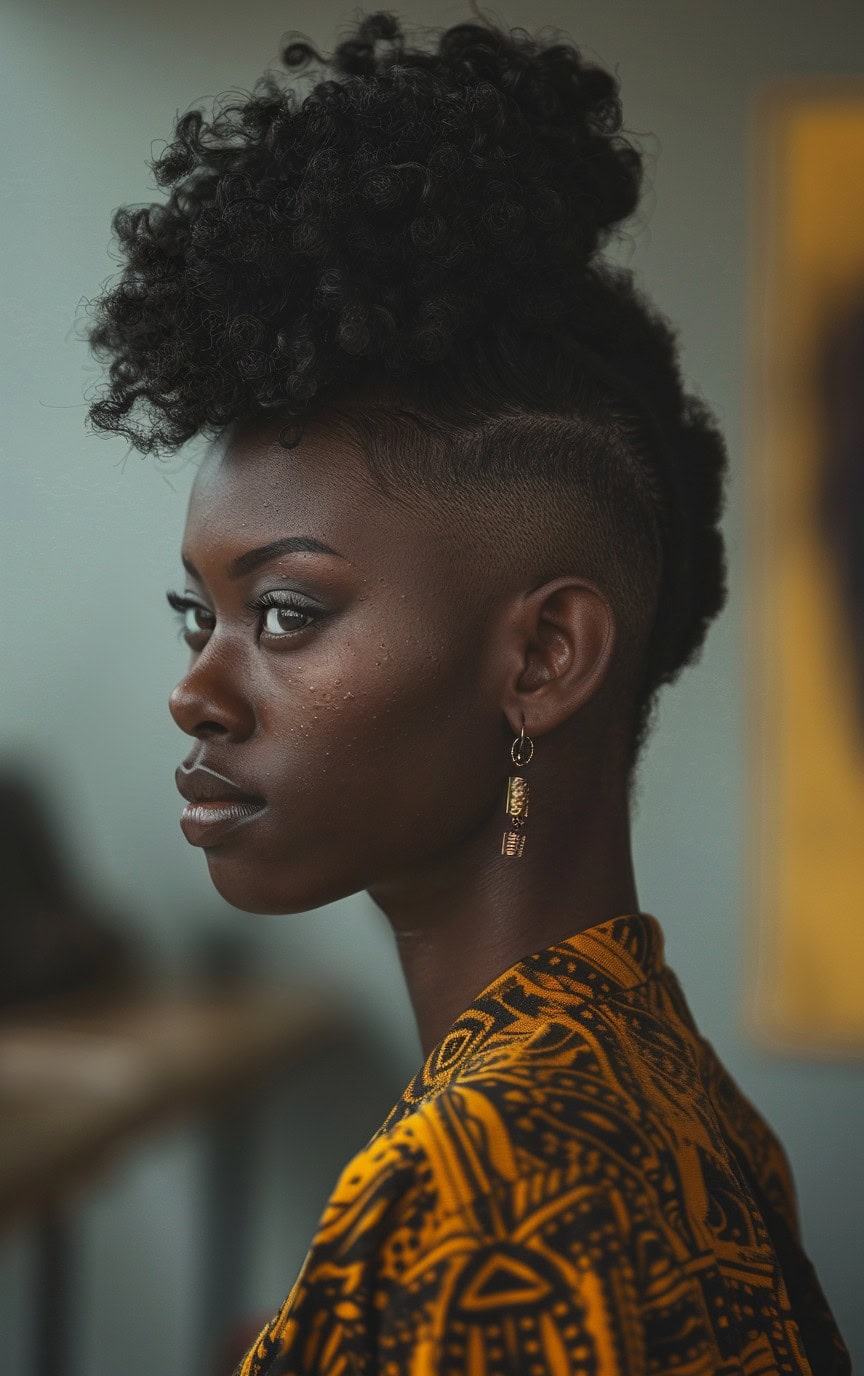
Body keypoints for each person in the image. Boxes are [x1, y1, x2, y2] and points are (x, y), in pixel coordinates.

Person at [84, 9, 850, 1373]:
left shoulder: (481, 1189)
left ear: (544, 659)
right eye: (197, 615)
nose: (197, 691)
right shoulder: (657, 1074)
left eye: (286, 613)